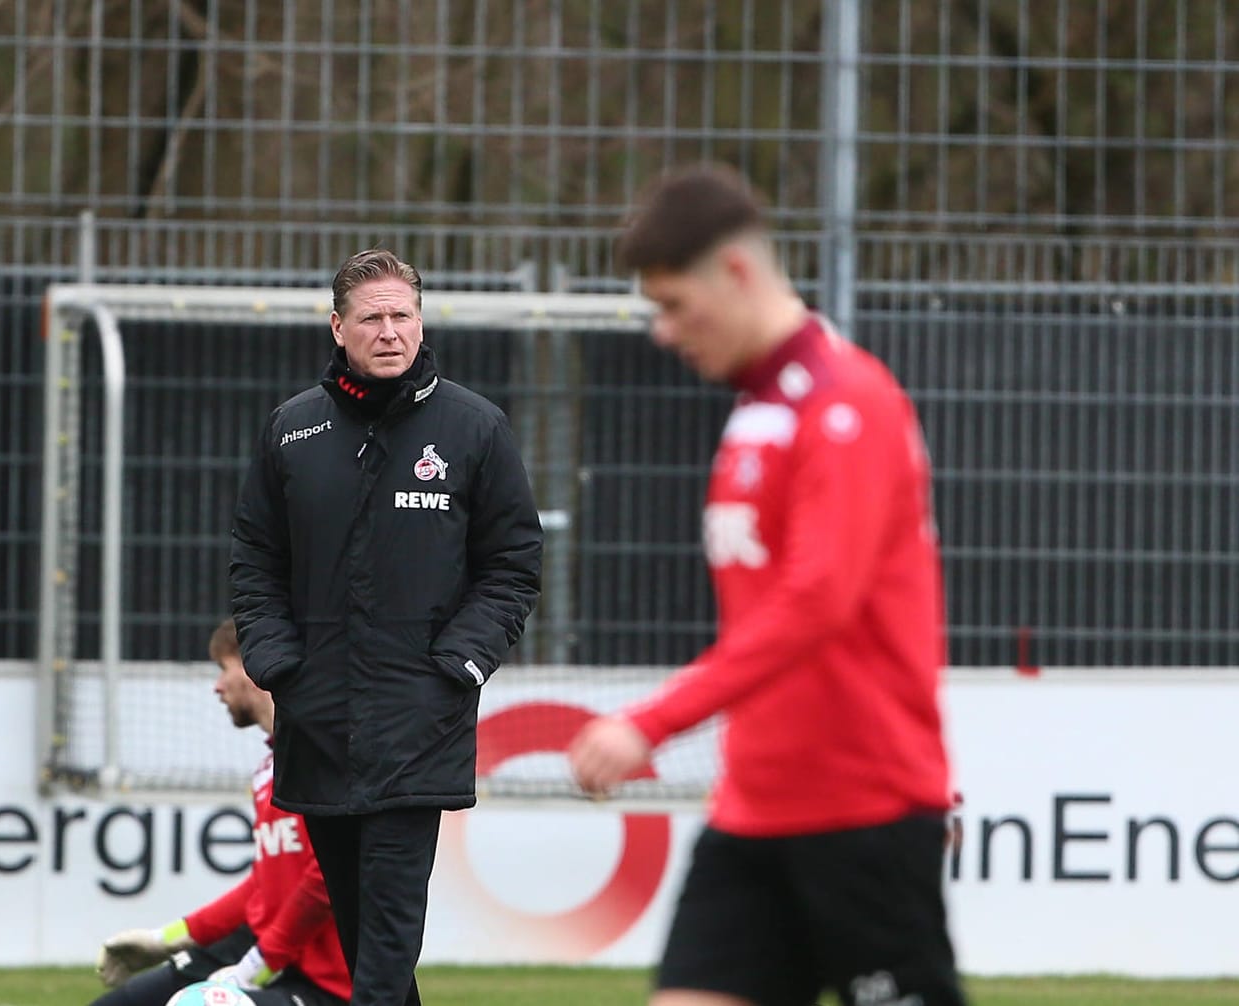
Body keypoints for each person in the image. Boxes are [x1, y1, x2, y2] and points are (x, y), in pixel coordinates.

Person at [567, 165, 964, 1006]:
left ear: (739, 274)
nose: (664, 333)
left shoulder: (847, 402)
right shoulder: (758, 410)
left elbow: (817, 601)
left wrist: (654, 720)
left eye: (676, 305)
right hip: (754, 811)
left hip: (866, 810)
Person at [229, 249, 543, 1006]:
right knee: (370, 938)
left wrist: (456, 668)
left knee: (390, 930)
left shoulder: (473, 427)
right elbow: (254, 560)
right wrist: (280, 666)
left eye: (403, 314)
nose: (390, 330)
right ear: (339, 328)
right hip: (319, 719)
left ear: (421, 321)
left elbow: (513, 564)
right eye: (371, 317)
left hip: (420, 721)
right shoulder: (292, 430)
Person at [91, 619, 350, 1006]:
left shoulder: (323, 754)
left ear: (254, 669)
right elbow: (263, 886)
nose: (217, 686)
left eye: (222, 669)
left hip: (318, 977)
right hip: (258, 948)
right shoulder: (269, 769)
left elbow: (326, 880)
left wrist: (254, 969)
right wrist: (166, 939)